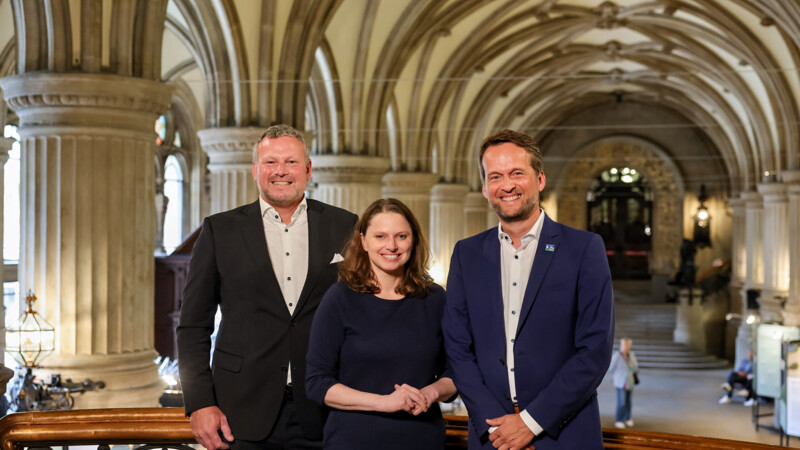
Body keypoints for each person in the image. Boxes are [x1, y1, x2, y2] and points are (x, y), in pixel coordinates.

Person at [177, 124, 358, 450]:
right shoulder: (220, 230)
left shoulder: (346, 225)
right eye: (271, 162)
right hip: (240, 411)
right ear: (255, 170)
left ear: (307, 169)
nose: (281, 172)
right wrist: (200, 402)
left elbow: (365, 312)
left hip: (326, 406)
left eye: (291, 162)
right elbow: (192, 326)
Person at [443, 129, 615, 449]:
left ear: (539, 180)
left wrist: (531, 422)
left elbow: (594, 351)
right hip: (491, 437)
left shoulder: (584, 249)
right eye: (495, 176)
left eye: (516, 173)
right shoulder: (466, 255)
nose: (506, 185)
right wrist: (497, 426)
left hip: (563, 435)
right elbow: (457, 349)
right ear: (484, 188)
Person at [306, 198, 457, 449]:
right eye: (380, 236)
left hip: (421, 439)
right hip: (353, 440)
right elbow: (317, 383)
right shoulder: (340, 298)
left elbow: (454, 371)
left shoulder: (435, 299)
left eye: (401, 236)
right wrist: (385, 402)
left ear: (414, 240)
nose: (392, 246)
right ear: (363, 241)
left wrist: (430, 393)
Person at [608, 338, 638, 429]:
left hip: (630, 382)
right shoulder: (617, 355)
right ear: (621, 345)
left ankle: (627, 418)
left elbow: (636, 367)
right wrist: (618, 374)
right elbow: (611, 367)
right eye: (624, 345)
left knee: (628, 401)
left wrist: (632, 366)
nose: (626, 346)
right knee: (621, 402)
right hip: (620, 382)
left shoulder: (631, 354)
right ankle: (619, 420)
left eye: (627, 345)